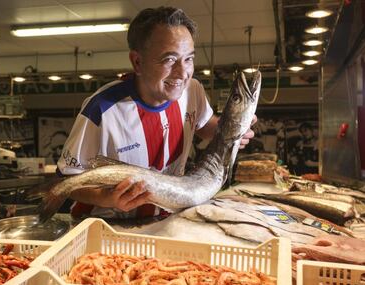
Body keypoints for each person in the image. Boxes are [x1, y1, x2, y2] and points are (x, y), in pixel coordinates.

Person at [57, 6, 256, 219]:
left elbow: (205, 127)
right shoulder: (102, 109)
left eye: (188, 59)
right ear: (137, 62)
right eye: (169, 60)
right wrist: (107, 197)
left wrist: (232, 130)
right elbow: (65, 180)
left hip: (164, 220)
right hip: (106, 226)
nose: (182, 73)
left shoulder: (193, 91)